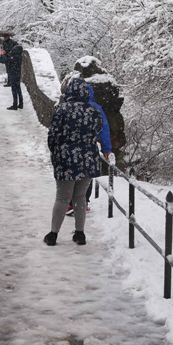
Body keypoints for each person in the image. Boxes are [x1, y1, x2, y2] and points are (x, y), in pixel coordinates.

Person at [44, 78, 114, 247]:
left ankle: (53, 234)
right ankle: (80, 234)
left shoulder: (62, 110)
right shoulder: (94, 111)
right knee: (80, 197)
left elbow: (52, 135)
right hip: (88, 159)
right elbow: (99, 129)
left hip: (65, 159)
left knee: (62, 197)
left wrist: (57, 151)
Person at [1, 39, 24, 110]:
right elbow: (10, 57)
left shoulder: (15, 57)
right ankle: (20, 103)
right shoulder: (19, 56)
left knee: (14, 89)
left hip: (13, 74)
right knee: (18, 89)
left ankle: (15, 105)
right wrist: (5, 53)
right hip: (18, 74)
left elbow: (7, 61)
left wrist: (2, 55)